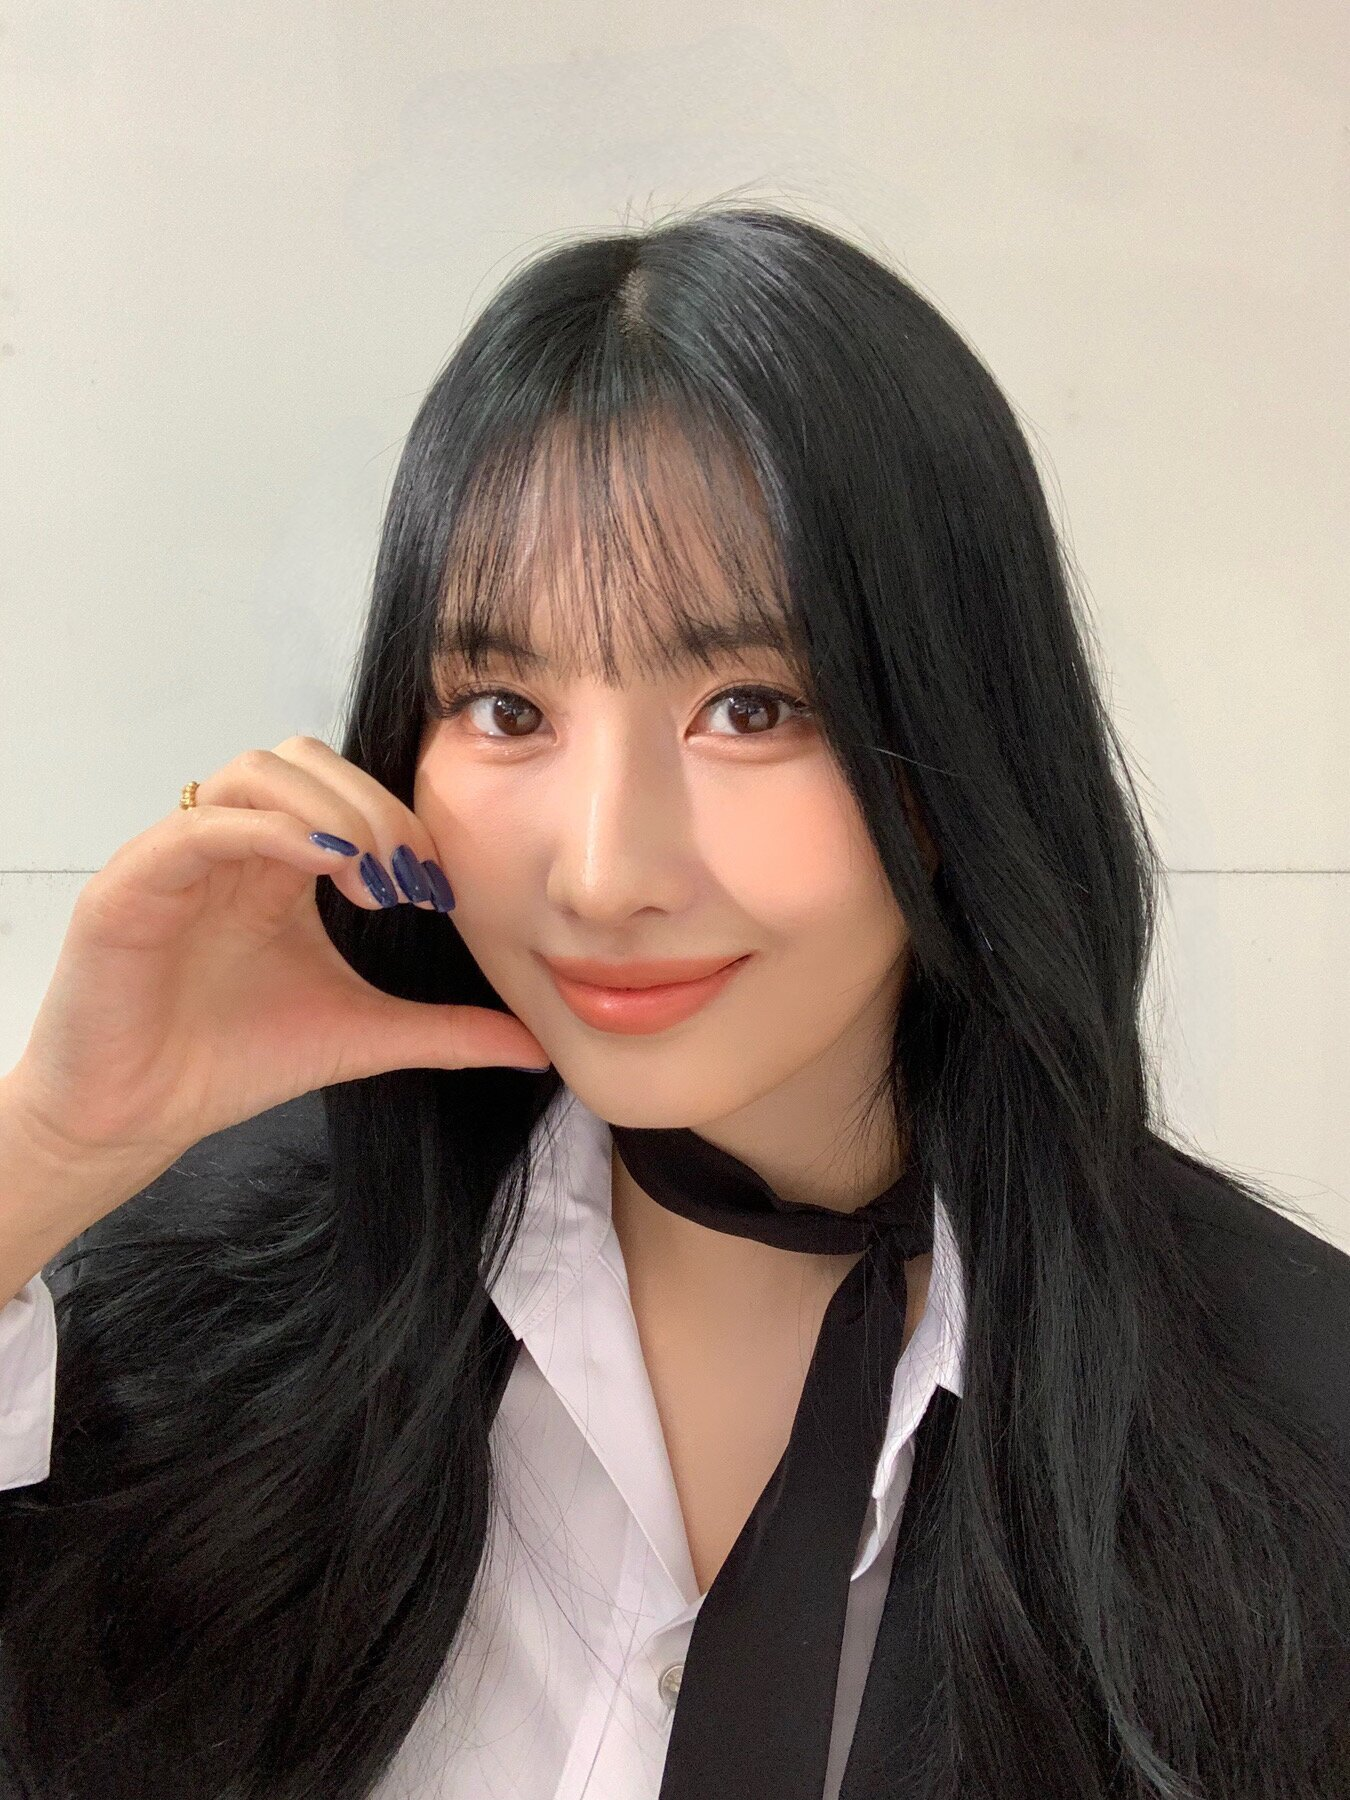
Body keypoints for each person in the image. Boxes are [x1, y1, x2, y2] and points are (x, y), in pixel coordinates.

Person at [0, 204, 1346, 1800]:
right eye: (505, 707)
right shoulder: (201, 1293)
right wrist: (50, 1157)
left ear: (953, 745)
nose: (600, 871)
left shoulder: (1292, 1422)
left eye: (749, 707)